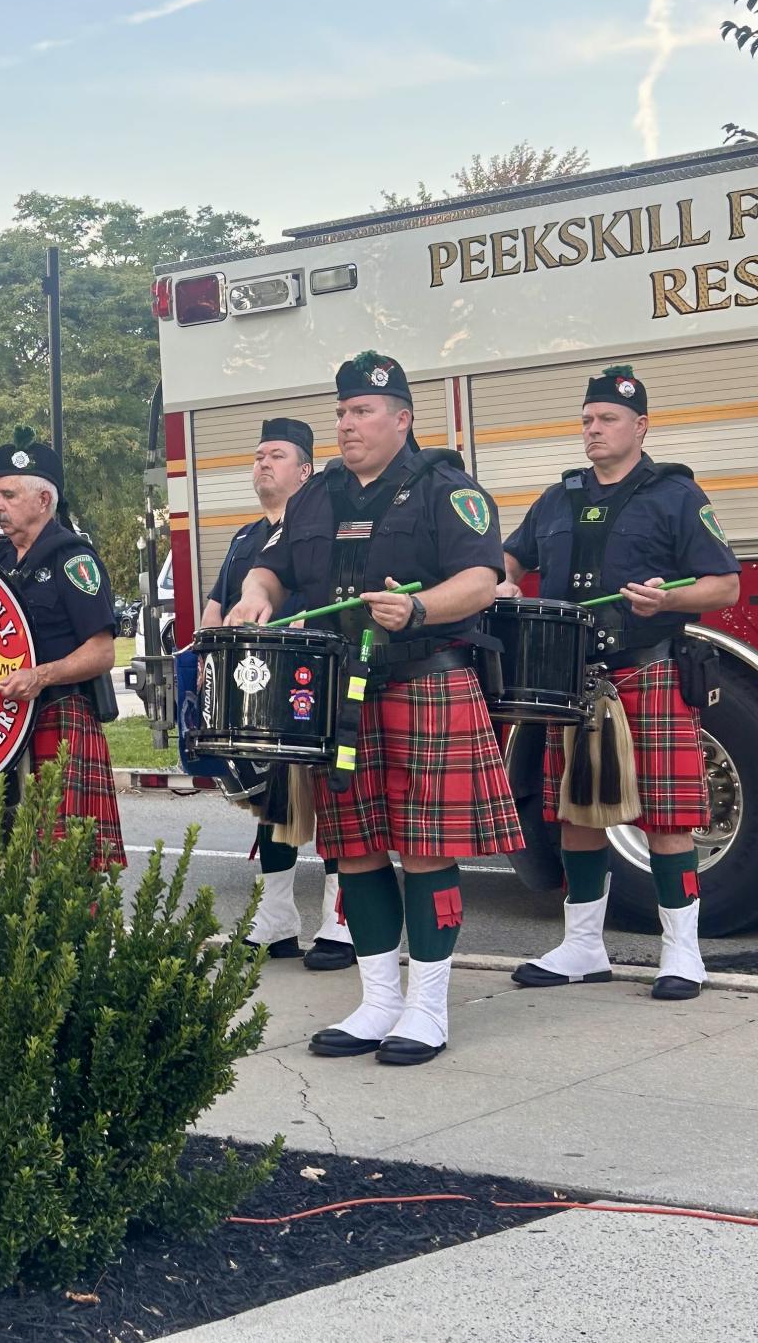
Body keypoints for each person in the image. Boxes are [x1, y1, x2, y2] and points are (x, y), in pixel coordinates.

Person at [230, 352, 524, 1067]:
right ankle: (376, 1000)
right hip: (342, 690)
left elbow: (484, 579)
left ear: (401, 418)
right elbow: (277, 563)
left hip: (425, 680)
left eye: (361, 411)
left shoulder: (445, 488)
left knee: (424, 849)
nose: (346, 424)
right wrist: (259, 591)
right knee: (351, 847)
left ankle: (425, 1007)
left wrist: (420, 606)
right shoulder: (316, 493)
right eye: (340, 412)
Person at [500, 364, 741, 1000]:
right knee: (576, 813)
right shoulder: (558, 499)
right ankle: (582, 946)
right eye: (586, 420)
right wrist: (500, 580)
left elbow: (725, 584)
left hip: (648, 668)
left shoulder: (676, 496)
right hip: (570, 679)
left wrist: (666, 601)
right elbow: (510, 557)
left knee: (668, 814)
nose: (593, 430)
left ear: (640, 426)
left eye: (606, 420)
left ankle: (682, 954)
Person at [201, 419, 354, 972]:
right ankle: (277, 921)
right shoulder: (245, 539)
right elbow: (215, 614)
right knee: (273, 803)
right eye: (259, 454)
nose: (263, 462)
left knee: (336, 800)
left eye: (278, 455)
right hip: (260, 690)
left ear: (307, 472)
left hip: (321, 684)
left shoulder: (332, 528)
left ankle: (340, 922)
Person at [0, 428, 125, 871]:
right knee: (0, 855)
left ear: (43, 501)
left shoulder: (74, 560)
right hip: (2, 727)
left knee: (68, 863)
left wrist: (40, 675)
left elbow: (102, 652)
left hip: (59, 715)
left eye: (9, 495)